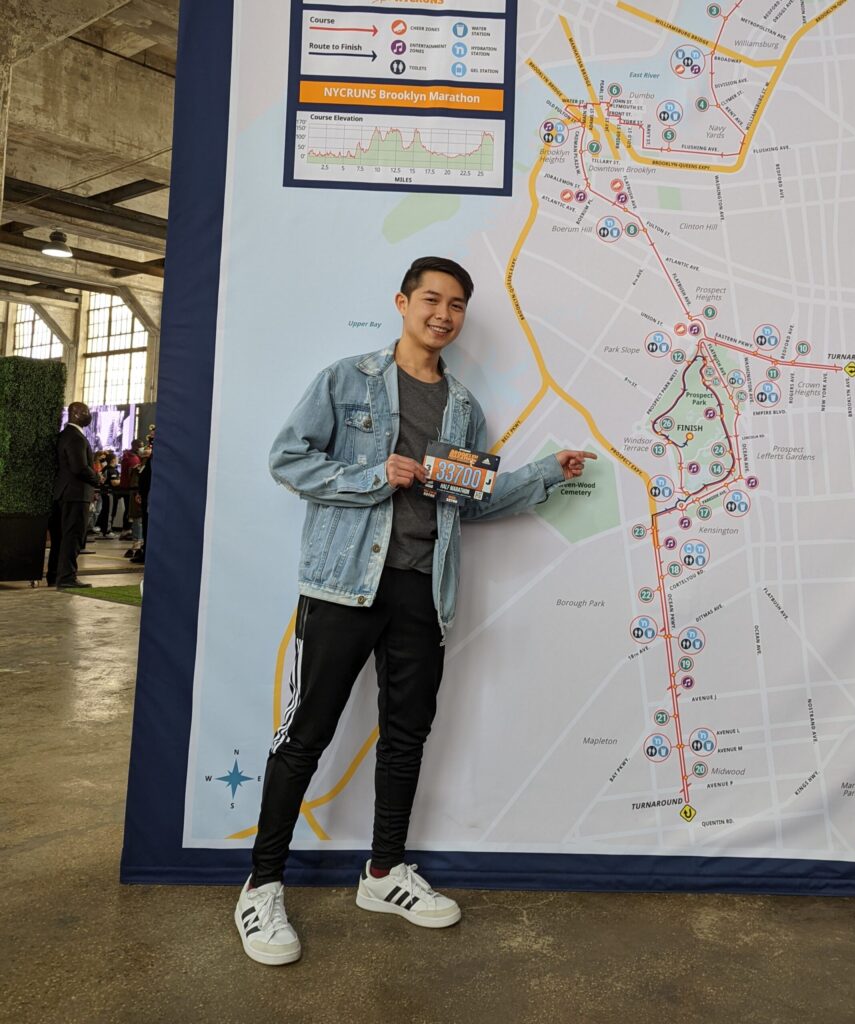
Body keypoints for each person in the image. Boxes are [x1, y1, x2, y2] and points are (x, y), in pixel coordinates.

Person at [235, 256, 596, 965]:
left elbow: (476, 499)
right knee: (305, 735)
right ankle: (261, 885)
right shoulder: (346, 380)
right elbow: (287, 459)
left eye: (456, 304)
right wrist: (375, 474)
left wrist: (548, 475)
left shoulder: (463, 407)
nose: (444, 313)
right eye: (431, 299)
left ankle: (383, 871)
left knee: (407, 736)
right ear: (402, 302)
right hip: (343, 587)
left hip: (422, 592)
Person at [46, 402, 101, 589]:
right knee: (72, 537)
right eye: (85, 412)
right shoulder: (76, 438)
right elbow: (79, 467)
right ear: (75, 414)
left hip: (61, 493)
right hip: (76, 494)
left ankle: (54, 575)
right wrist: (97, 480)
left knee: (60, 538)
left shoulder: (63, 436)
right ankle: (67, 577)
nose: (88, 415)